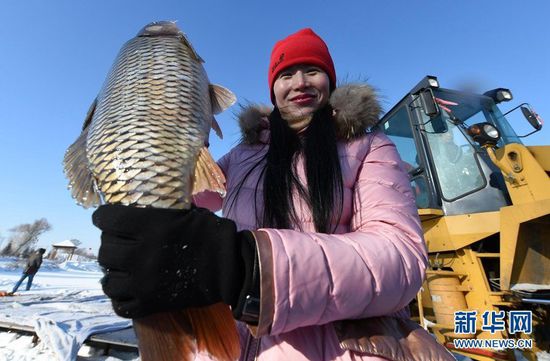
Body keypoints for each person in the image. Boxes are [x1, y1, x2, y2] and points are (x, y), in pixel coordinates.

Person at [93, 28, 454, 360]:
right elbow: (182, 204)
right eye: (285, 74)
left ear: (330, 79)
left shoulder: (370, 146)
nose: (299, 82)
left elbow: (401, 259)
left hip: (337, 350)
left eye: (312, 70)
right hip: (237, 345)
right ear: (273, 88)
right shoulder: (243, 155)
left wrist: (249, 269)